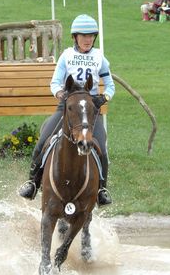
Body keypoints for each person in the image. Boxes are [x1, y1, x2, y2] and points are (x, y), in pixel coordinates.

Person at [18, 14, 115, 206]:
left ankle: (101, 190)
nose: (88, 40)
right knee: (43, 141)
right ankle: (32, 182)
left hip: (90, 110)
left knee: (101, 148)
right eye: (83, 36)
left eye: (91, 36)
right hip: (67, 108)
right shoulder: (66, 56)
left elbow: (110, 85)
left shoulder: (99, 57)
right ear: (75, 37)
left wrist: (104, 97)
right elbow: (54, 82)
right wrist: (61, 94)